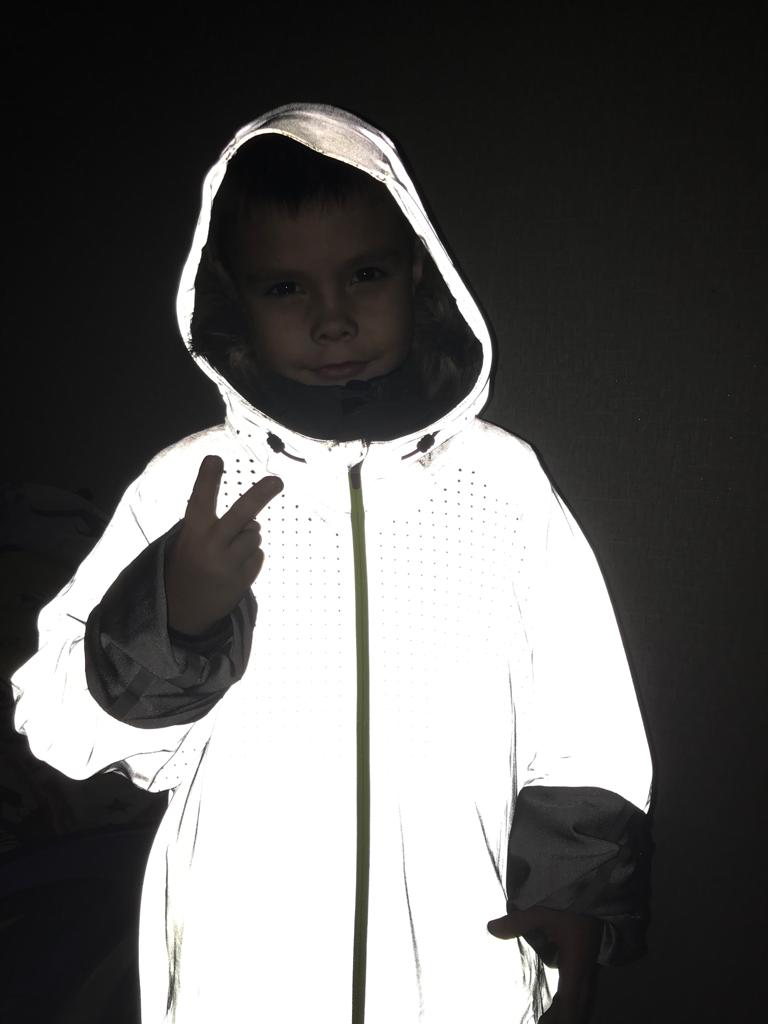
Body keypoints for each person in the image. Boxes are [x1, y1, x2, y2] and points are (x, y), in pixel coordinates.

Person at [11, 102, 654, 1023]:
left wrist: (579, 891)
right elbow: (60, 728)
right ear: (236, 300)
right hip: (244, 979)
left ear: (417, 273)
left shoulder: (503, 482)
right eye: (286, 288)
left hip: (460, 974)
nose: (333, 320)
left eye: (364, 274)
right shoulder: (189, 485)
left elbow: (584, 706)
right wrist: (174, 621)